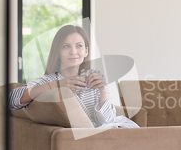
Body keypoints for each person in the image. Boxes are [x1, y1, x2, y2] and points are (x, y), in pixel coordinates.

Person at [9, 25, 139, 128]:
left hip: (109, 135)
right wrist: (59, 84)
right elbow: (12, 100)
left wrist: (103, 90)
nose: (73, 52)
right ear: (58, 52)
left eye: (79, 46)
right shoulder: (49, 81)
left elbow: (109, 121)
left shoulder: (95, 77)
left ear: (86, 51)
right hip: (82, 142)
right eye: (66, 46)